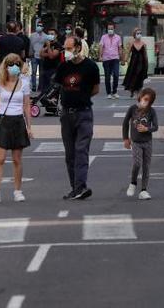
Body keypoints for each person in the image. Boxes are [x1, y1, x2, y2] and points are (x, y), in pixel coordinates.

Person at [54, 36, 101, 200]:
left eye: (69, 48)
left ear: (78, 47)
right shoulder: (63, 67)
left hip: (84, 113)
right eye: (65, 49)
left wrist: (82, 96)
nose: (66, 52)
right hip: (66, 114)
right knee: (70, 154)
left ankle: (81, 186)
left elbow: (96, 89)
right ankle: (75, 187)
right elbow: (59, 86)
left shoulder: (90, 67)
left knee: (81, 150)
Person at [0, 54, 32, 204]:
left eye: (17, 64)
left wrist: (29, 126)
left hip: (18, 121)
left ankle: (18, 191)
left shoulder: (24, 83)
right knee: (0, 159)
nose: (14, 66)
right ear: (5, 66)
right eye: (11, 64)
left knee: (17, 160)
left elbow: (26, 105)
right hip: (4, 122)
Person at [122, 87, 159, 200]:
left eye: (148, 100)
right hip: (136, 141)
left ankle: (144, 190)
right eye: (145, 99)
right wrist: (125, 138)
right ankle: (133, 182)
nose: (145, 102)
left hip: (147, 142)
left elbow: (156, 127)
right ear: (140, 97)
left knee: (146, 166)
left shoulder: (151, 111)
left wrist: (147, 129)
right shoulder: (133, 109)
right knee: (137, 163)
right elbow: (125, 123)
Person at [122, 28, 149, 98]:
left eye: (140, 33)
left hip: (142, 63)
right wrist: (125, 60)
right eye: (137, 33)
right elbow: (128, 53)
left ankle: (138, 90)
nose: (139, 35)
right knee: (133, 76)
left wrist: (147, 63)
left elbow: (145, 54)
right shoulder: (131, 43)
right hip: (134, 63)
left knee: (140, 76)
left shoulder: (144, 44)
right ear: (134, 35)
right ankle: (132, 90)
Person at [99, 22, 123, 99]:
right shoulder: (103, 37)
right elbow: (101, 47)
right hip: (106, 59)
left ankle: (115, 92)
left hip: (115, 58)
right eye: (109, 29)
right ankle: (109, 93)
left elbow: (120, 48)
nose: (110, 30)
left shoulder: (118, 37)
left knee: (116, 75)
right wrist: (100, 56)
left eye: (111, 29)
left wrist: (122, 58)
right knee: (107, 77)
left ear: (114, 29)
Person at [39, 29, 62, 93]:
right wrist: (48, 48)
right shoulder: (47, 44)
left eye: (52, 34)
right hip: (45, 68)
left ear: (56, 35)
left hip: (53, 70)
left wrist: (48, 47)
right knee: (44, 90)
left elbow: (51, 56)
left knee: (50, 90)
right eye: (48, 34)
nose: (50, 35)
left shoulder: (58, 45)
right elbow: (41, 54)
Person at [28, 23, 47, 92]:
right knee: (33, 72)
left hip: (42, 57)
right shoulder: (32, 35)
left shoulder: (45, 36)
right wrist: (30, 54)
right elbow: (30, 45)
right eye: (38, 26)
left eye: (41, 26)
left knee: (41, 73)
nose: (39, 27)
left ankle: (40, 87)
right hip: (34, 56)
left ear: (43, 27)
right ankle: (33, 86)